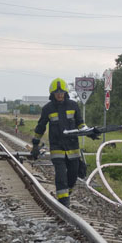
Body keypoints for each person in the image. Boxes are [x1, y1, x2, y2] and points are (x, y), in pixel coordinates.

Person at [30, 78, 87, 208]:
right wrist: (35, 144)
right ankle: (63, 203)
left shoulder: (73, 105)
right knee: (61, 175)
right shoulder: (48, 109)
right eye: (57, 92)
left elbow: (80, 123)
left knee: (72, 175)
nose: (60, 94)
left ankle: (66, 194)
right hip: (57, 147)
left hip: (73, 148)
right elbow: (41, 127)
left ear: (65, 92)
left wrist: (89, 132)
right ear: (52, 94)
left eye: (62, 92)